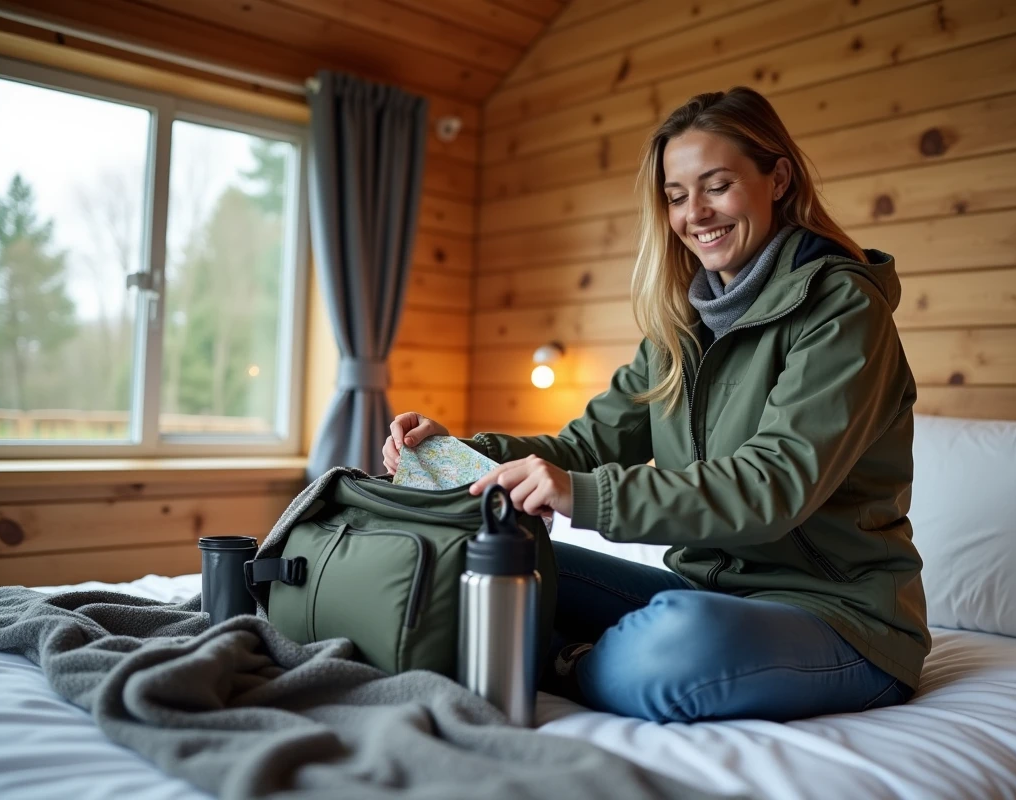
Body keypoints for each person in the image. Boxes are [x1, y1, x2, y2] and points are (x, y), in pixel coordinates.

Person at [383, 87, 929, 724]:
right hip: (700, 591)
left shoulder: (843, 310)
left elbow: (773, 486)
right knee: (489, 561)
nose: (695, 213)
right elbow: (585, 447)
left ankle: (567, 661)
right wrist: (467, 451)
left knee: (678, 638)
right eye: (675, 196)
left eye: (716, 186)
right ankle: (587, 654)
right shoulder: (680, 325)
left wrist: (584, 495)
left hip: (840, 619)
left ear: (777, 177)